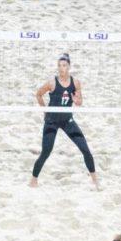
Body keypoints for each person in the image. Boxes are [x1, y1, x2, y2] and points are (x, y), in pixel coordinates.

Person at [30, 53, 98, 190]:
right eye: (60, 65)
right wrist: (45, 111)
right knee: (46, 152)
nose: (62, 68)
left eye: (64, 65)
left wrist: (75, 100)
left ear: (69, 67)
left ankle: (95, 181)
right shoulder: (52, 83)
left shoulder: (76, 83)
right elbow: (38, 94)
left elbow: (79, 102)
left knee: (85, 149)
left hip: (67, 120)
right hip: (52, 121)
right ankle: (33, 180)